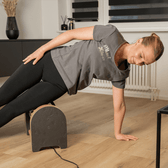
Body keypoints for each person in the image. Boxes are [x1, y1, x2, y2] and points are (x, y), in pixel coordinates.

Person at [0, 24, 164, 141]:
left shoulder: (121, 72)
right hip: (47, 61)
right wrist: (42, 49)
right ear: (139, 41)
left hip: (59, 84)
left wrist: (118, 133)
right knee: (3, 95)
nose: (139, 62)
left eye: (144, 63)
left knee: (13, 108)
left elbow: (119, 105)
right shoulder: (111, 34)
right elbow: (71, 34)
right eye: (141, 56)